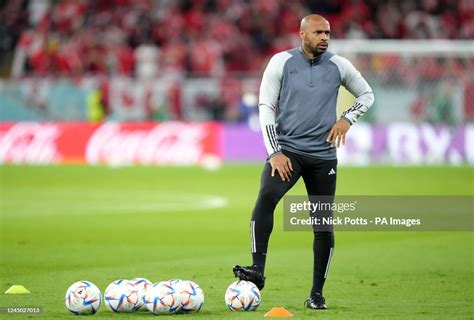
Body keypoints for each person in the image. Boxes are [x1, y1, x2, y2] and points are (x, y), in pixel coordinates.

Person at [233, 14, 374, 310]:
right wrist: (275, 152)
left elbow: (366, 94)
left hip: (323, 157)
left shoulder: (339, 65)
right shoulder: (280, 62)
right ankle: (257, 270)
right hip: (288, 152)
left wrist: (347, 119)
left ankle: (317, 294)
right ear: (302, 34)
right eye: (319, 32)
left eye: (328, 33)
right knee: (266, 198)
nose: (325, 37)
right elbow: (266, 107)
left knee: (322, 224)